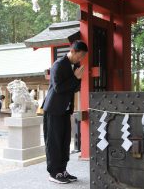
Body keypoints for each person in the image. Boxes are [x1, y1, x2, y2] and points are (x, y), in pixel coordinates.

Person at [42, 40, 88, 184]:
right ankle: (53, 173)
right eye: (79, 56)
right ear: (73, 51)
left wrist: (76, 79)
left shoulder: (74, 66)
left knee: (64, 141)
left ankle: (62, 170)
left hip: (65, 109)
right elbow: (58, 88)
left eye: (82, 58)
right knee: (54, 142)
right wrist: (75, 78)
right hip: (53, 109)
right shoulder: (58, 65)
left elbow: (75, 88)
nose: (80, 60)